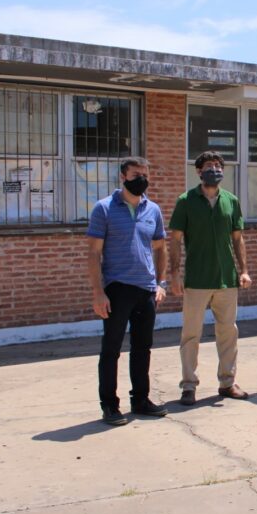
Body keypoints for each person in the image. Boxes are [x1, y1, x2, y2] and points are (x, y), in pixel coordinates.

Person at [86, 156, 169, 426]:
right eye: (135, 175)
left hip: (146, 289)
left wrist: (160, 283)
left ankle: (141, 400)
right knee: (111, 349)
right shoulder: (104, 208)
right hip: (117, 289)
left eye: (145, 174)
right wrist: (98, 292)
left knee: (142, 348)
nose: (141, 179)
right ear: (123, 177)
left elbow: (160, 248)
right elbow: (93, 253)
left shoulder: (153, 210)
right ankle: (110, 405)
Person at [168, 151, 252, 405]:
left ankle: (227, 382)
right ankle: (189, 386)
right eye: (208, 166)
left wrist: (244, 270)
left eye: (217, 165)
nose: (214, 169)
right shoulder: (186, 201)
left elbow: (238, 239)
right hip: (196, 280)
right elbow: (175, 239)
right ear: (198, 171)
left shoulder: (231, 200)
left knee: (228, 333)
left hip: (226, 279)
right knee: (191, 334)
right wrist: (174, 273)